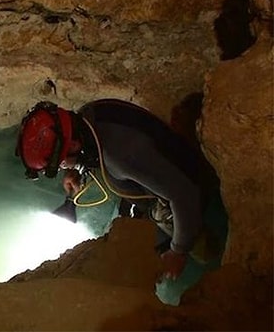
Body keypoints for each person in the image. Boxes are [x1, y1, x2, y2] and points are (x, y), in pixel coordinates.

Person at [15, 99, 221, 280]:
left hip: (189, 188)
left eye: (60, 163)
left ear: (75, 145)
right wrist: (77, 169)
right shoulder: (89, 115)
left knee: (180, 247)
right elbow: (91, 150)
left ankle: (214, 255)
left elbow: (184, 195)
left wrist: (178, 252)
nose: (62, 168)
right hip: (161, 165)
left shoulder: (120, 157)